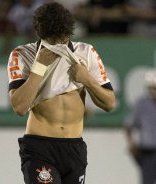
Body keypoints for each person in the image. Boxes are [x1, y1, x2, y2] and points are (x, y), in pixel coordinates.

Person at [7, 2, 115, 183]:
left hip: (74, 147)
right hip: (40, 147)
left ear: (69, 33)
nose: (59, 45)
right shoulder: (23, 54)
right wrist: (39, 67)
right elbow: (19, 106)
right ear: (40, 34)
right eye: (53, 41)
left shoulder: (86, 53)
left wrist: (87, 79)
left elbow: (109, 103)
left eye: (63, 39)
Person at [124, 70, 156, 184]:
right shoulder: (142, 104)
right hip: (147, 152)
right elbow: (129, 126)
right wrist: (132, 144)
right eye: (152, 88)